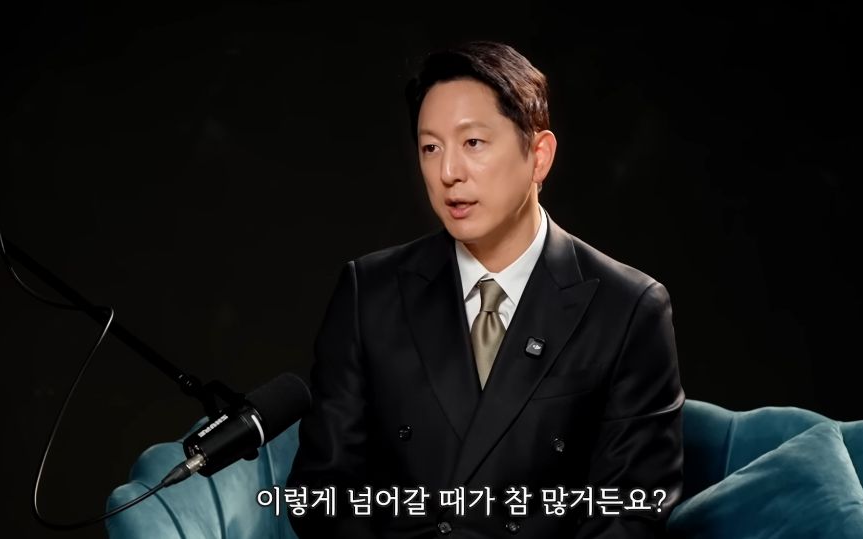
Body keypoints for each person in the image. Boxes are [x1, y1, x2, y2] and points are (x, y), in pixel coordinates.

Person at [287, 41, 684, 538]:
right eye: (431, 148)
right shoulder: (369, 292)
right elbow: (321, 491)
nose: (448, 173)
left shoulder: (628, 308)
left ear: (539, 156)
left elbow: (632, 509)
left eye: (473, 142)